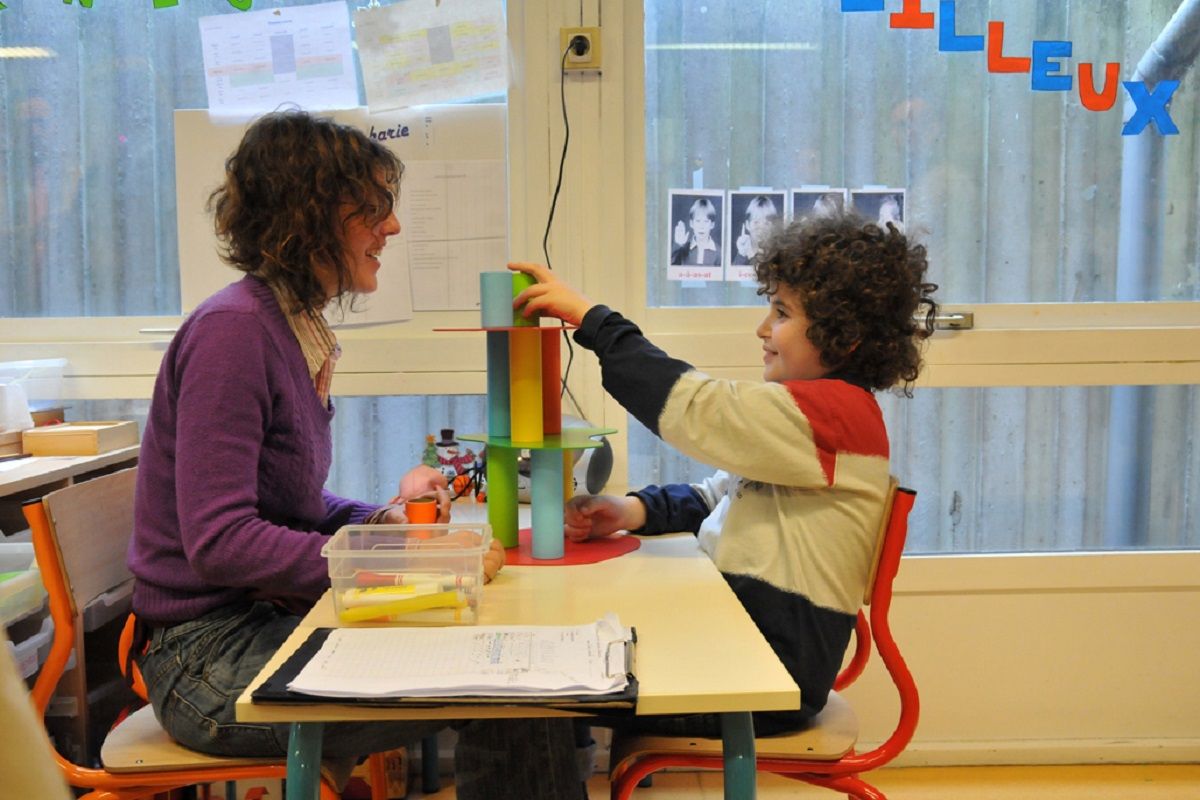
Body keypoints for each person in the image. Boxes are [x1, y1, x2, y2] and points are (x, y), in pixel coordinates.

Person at [126, 109, 582, 799]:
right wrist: (388, 558)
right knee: (511, 690)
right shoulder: (234, 335)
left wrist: (387, 523)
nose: (391, 228)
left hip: (257, 623)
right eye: (372, 210)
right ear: (307, 217)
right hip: (206, 663)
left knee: (521, 674)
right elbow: (220, 542)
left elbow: (295, 508)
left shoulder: (285, 324)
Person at [510, 211, 938, 735]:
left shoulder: (834, 416)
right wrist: (631, 511)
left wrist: (595, 321)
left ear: (842, 335)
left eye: (780, 312)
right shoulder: (816, 419)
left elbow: (698, 409)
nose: (762, 329)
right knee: (551, 673)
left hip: (767, 672)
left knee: (529, 694)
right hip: (744, 647)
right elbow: (720, 495)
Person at [670, 196, 721, 265]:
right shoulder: (681, 249)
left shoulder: (719, 252)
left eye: (706, 221)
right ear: (691, 223)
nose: (701, 226)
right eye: (698, 221)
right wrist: (677, 245)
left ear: (712, 225)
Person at [732, 194, 780, 265]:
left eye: (766, 223)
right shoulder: (741, 255)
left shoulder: (778, 256)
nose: (761, 228)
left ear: (773, 226)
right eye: (756, 222)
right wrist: (741, 254)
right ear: (747, 225)